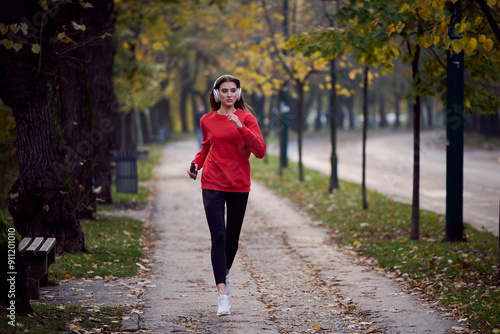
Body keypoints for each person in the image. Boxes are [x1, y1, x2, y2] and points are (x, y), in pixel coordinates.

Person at [187, 74, 266, 316]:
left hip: (239, 185)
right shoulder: (207, 120)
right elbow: (207, 146)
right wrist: (196, 163)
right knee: (218, 237)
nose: (229, 94)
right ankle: (222, 294)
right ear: (216, 94)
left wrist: (241, 128)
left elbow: (260, 151)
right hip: (212, 182)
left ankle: (226, 273)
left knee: (232, 239)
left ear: (238, 94)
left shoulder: (247, 118)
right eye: (224, 90)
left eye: (233, 90)